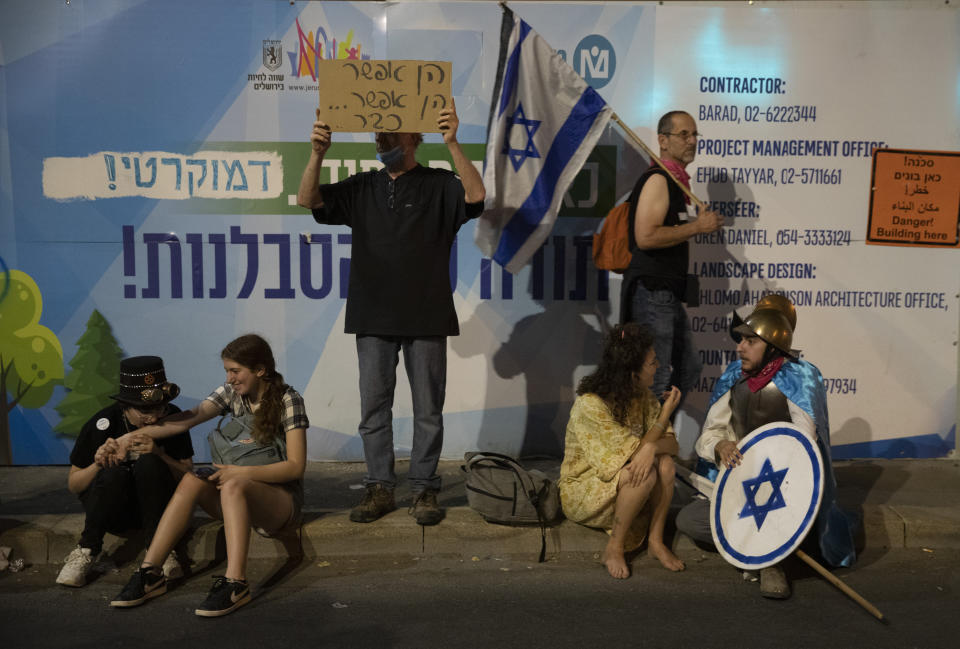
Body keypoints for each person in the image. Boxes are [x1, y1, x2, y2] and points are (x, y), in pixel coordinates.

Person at [296, 98, 485, 526]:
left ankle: (423, 491)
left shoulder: (440, 185)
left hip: (427, 315)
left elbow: (476, 196)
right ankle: (379, 487)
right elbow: (308, 200)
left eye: (392, 130)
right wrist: (317, 154)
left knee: (427, 410)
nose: (382, 138)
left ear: (414, 136)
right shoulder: (363, 186)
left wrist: (453, 142)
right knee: (374, 410)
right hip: (373, 317)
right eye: (377, 132)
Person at [107, 334, 308, 617]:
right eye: (226, 370)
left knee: (234, 482)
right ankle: (150, 572)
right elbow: (186, 419)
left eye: (235, 371)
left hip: (280, 503)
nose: (229, 378)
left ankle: (236, 583)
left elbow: (295, 467)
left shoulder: (289, 400)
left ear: (260, 370)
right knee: (193, 479)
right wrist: (127, 439)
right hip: (235, 495)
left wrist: (241, 472)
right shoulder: (231, 393)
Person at [675, 296, 857, 599]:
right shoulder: (733, 376)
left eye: (750, 341)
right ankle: (763, 546)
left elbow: (805, 444)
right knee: (688, 520)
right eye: (741, 340)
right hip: (739, 483)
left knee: (792, 522)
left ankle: (772, 562)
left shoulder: (800, 377)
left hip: (784, 489)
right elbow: (709, 434)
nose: (739, 347)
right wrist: (720, 445)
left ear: (772, 345)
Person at [558, 323, 685, 579]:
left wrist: (651, 446)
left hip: (625, 483)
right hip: (583, 488)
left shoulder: (643, 397)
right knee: (646, 472)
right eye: (652, 363)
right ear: (632, 373)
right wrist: (665, 415)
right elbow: (636, 458)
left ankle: (655, 541)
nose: (659, 367)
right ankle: (613, 549)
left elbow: (672, 445)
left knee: (666, 464)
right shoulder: (590, 405)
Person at [56, 356, 194, 587]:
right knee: (114, 473)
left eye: (160, 408)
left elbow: (189, 476)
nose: (154, 417)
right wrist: (97, 464)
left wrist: (161, 455)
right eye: (145, 411)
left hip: (160, 511)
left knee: (150, 462)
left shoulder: (172, 416)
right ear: (126, 406)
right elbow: (74, 485)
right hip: (114, 512)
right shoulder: (103, 423)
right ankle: (86, 550)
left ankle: (159, 548)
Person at [621, 110, 725, 400]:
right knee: (655, 378)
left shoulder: (677, 183)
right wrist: (696, 227)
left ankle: (658, 434)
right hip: (652, 292)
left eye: (694, 135)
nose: (692, 141)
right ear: (663, 140)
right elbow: (646, 236)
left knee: (688, 367)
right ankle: (647, 443)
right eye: (684, 134)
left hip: (665, 294)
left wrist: (694, 223)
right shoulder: (659, 180)